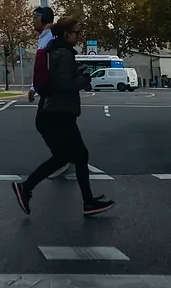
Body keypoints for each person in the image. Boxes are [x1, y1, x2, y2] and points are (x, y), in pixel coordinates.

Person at [13, 17, 115, 217]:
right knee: (79, 155)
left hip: (51, 114)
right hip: (58, 114)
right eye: (76, 32)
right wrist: (83, 79)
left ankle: (27, 188)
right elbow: (63, 85)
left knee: (65, 157)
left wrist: (76, 73)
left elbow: (58, 79)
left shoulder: (55, 51)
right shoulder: (64, 54)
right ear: (67, 34)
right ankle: (86, 202)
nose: (79, 36)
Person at [27, 6, 73, 180]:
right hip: (49, 89)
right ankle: (64, 156)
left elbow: (46, 65)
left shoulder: (50, 37)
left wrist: (35, 87)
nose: (32, 21)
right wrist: (34, 87)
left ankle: (61, 158)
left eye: (35, 17)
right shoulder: (45, 37)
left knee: (44, 123)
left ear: (43, 19)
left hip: (51, 90)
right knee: (53, 124)